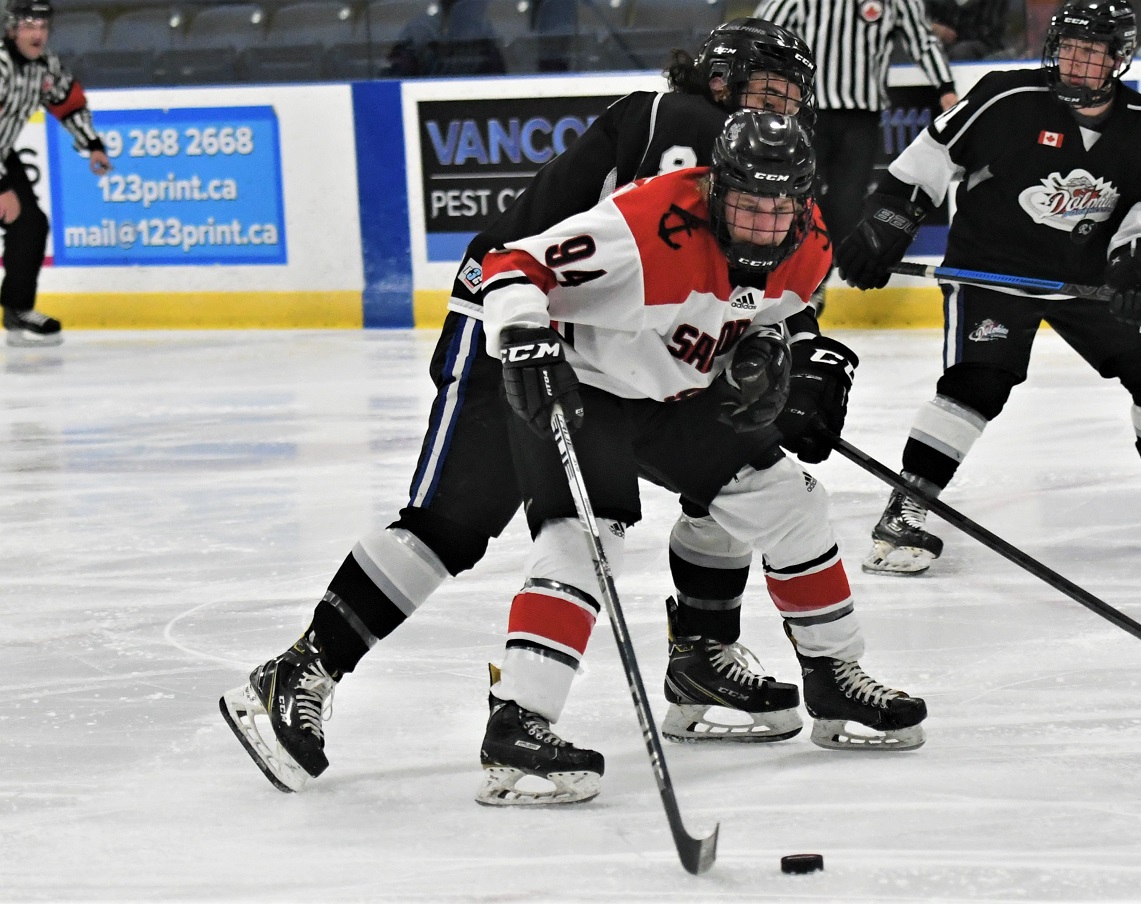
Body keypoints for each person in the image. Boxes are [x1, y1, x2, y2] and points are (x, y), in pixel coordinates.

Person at [219, 19, 855, 794]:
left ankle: (699, 661)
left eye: (790, 98)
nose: (777, 111)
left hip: (610, 346)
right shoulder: (684, 125)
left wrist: (780, 347)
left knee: (735, 475)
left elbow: (748, 275)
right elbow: (674, 254)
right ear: (719, 83)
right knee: (455, 519)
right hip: (513, 320)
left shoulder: (738, 153)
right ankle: (301, 670)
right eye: (764, 92)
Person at [475, 110, 926, 806]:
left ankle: (833, 678)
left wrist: (771, 358)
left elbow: (767, 315)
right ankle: (518, 722)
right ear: (716, 189)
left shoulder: (806, 244)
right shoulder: (644, 225)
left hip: (676, 394)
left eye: (778, 209)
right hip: (583, 384)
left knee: (791, 503)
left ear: (803, 200)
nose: (759, 223)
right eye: (745, 204)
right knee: (585, 540)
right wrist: (525, 336)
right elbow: (511, 263)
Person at [835, 0, 1141, 577]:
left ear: (1119, 57)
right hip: (992, 270)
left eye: (1092, 51)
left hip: (1086, 278)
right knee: (978, 382)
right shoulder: (1006, 98)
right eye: (1068, 48)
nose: (1075, 62)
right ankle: (906, 508)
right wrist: (887, 227)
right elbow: (927, 160)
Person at [754, 0, 959, 311]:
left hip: (862, 115)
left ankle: (815, 281)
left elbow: (922, 41)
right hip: (808, 111)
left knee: (847, 205)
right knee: (795, 197)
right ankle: (784, 279)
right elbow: (764, 30)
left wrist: (946, 87)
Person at [0, 0, 111, 347]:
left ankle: (17, 311)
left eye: (43, 27)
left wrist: (92, 143)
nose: (38, 34)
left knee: (31, 224)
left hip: (3, 154)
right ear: (12, 28)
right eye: (30, 26)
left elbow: (68, 101)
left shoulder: (45, 67)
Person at [925, 0, 1012, 60]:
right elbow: (919, 17)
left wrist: (954, 35)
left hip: (987, 46)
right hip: (942, 43)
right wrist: (931, 27)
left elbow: (991, 31)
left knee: (960, 52)